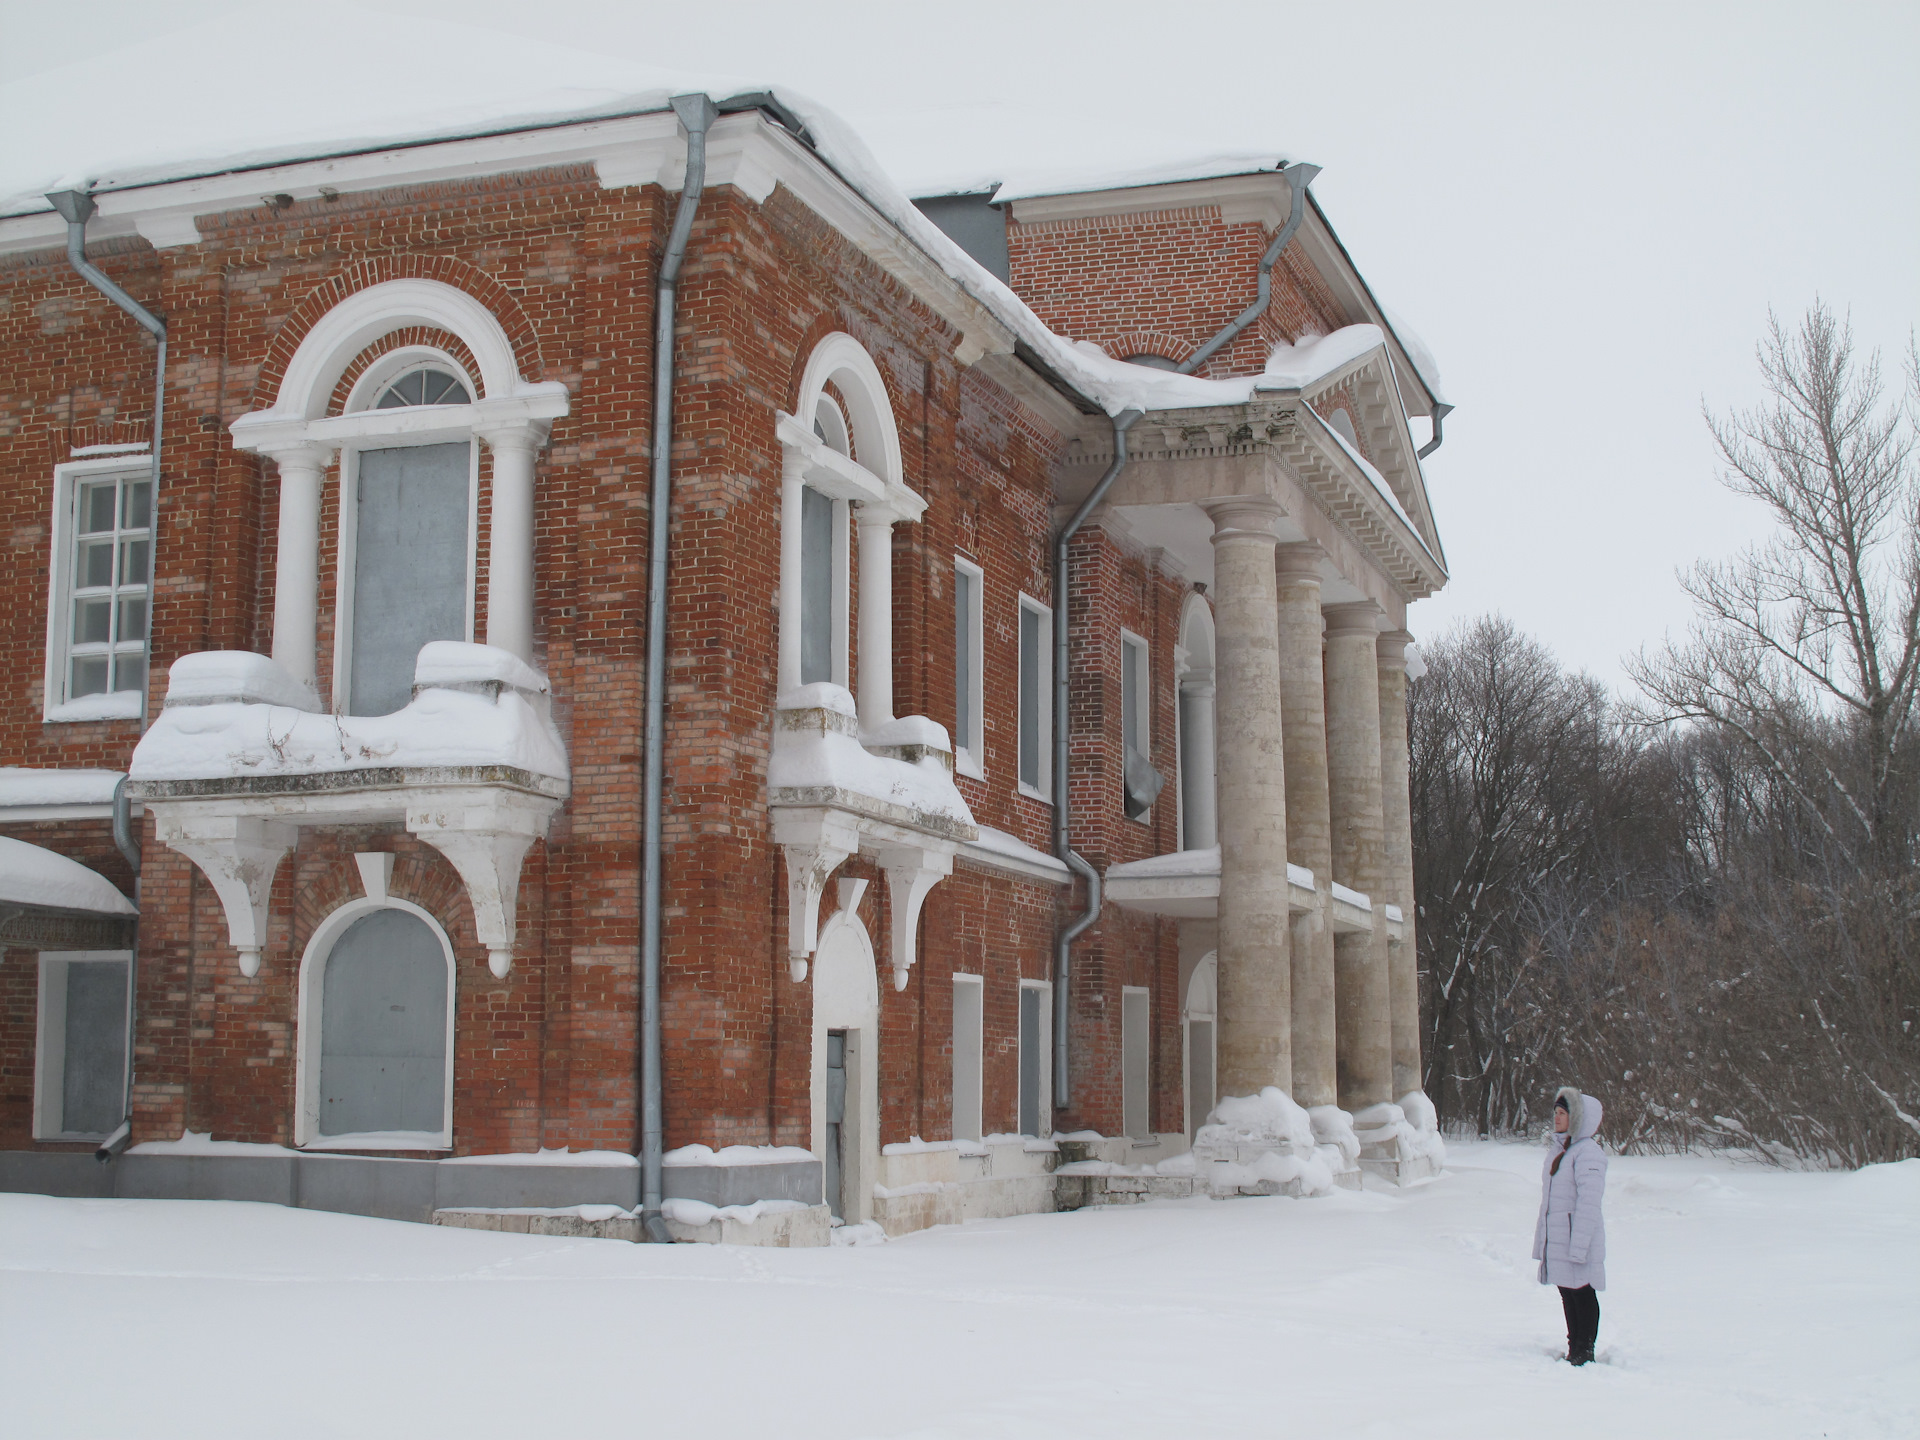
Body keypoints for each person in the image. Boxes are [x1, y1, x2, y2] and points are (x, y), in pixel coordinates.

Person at [1533, 1085, 1607, 1365]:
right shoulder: (1559, 1150)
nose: (1557, 1117)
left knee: (1582, 1292)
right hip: (1560, 1235)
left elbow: (1589, 1203)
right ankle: (1573, 1344)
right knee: (1566, 1289)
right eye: (1556, 1112)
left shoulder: (1588, 1153)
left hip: (1579, 1236)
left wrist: (1580, 1244)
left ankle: (1584, 1349)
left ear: (1578, 1117)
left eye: (1563, 1112)